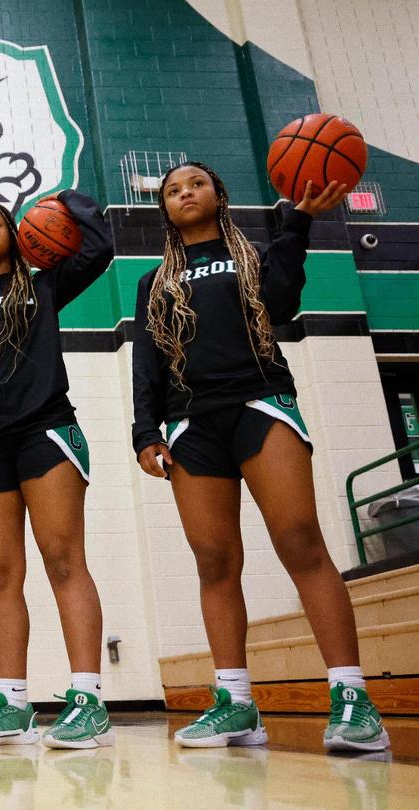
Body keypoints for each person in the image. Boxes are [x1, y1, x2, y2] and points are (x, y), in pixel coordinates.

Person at [131, 161, 388, 751]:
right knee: (214, 560)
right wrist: (146, 431)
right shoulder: (153, 284)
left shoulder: (253, 255)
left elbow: (281, 305)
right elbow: (146, 360)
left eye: (195, 183)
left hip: (260, 400)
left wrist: (296, 224)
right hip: (191, 421)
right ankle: (235, 704)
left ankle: (352, 698)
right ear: (164, 209)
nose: (184, 193)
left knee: (300, 539)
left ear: (218, 194)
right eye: (172, 190)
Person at [0, 192, 115, 749]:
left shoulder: (42, 287)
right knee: (0, 577)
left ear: (13, 233)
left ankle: (88, 699)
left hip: (44, 432)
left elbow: (100, 248)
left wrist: (68, 202)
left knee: (63, 560)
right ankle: (12, 704)